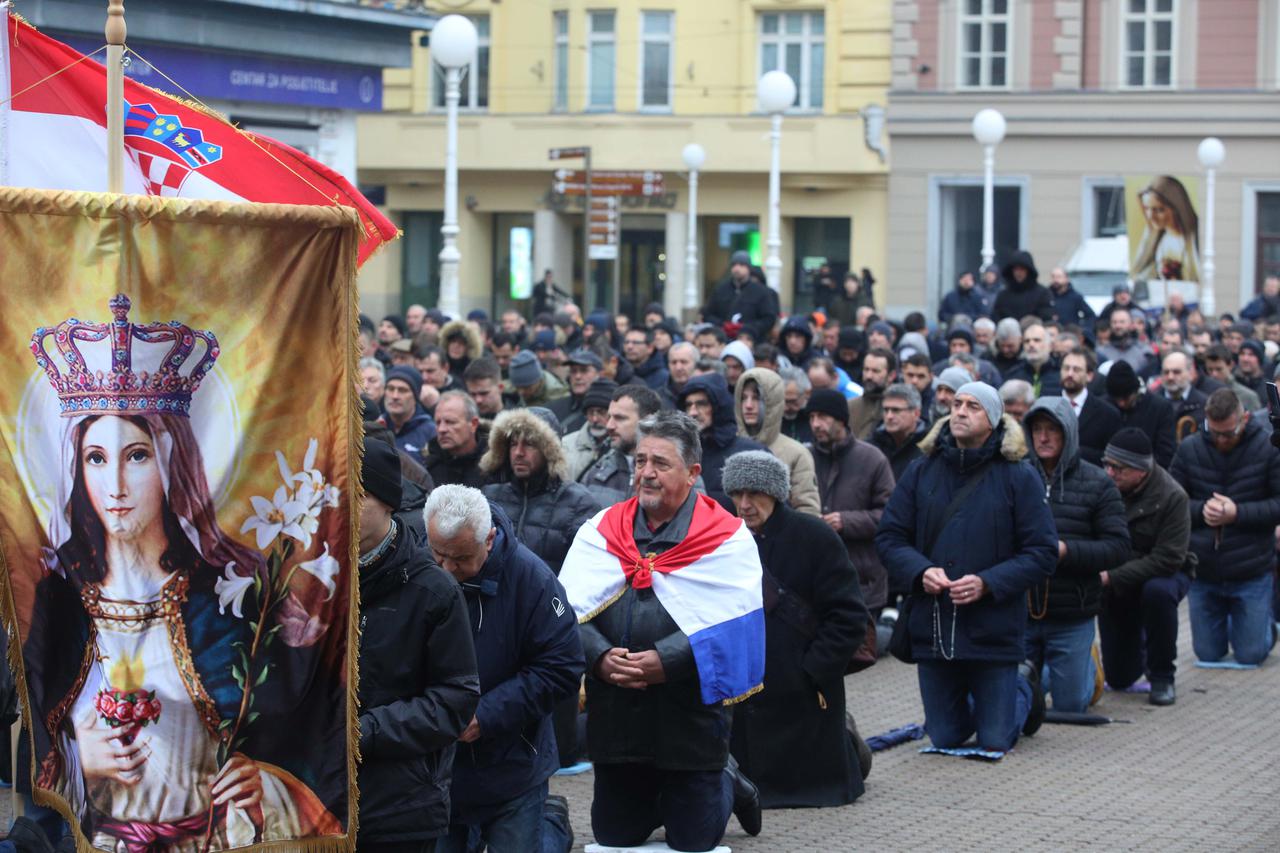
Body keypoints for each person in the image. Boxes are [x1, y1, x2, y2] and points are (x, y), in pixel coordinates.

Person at [23, 304, 349, 849]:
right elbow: (30, 724)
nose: (117, 484)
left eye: (137, 455)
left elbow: (297, 720)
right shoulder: (60, 595)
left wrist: (259, 777)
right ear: (77, 469)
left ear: (171, 461)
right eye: (96, 459)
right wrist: (79, 754)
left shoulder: (227, 595)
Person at [559, 412, 765, 850]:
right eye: (640, 461)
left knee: (694, 841)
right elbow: (565, 611)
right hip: (617, 718)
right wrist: (597, 656)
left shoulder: (727, 538)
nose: (646, 474)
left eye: (660, 464)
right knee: (616, 836)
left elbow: (735, 626)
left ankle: (727, 778)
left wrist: (666, 662)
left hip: (689, 720)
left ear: (692, 473)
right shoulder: (601, 531)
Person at [876, 383, 1056, 752]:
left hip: (993, 629)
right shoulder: (921, 470)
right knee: (945, 736)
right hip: (935, 628)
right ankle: (986, 704)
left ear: (992, 421)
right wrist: (920, 571)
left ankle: (1022, 687)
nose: (959, 411)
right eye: (956, 404)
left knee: (995, 740)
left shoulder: (1018, 475)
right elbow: (890, 537)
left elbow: (1042, 552)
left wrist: (988, 583)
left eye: (973, 406)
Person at [425, 487, 582, 853]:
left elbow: (563, 666)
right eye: (438, 555)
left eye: (460, 558)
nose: (447, 569)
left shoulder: (534, 581)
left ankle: (551, 825)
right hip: (436, 764)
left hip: (513, 759)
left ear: (490, 539)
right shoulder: (417, 567)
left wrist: (487, 715)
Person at [723, 452, 870, 808]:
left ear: (776, 493)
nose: (744, 504)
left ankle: (851, 750)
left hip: (803, 690)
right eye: (737, 494)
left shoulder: (815, 537)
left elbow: (849, 617)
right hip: (747, 689)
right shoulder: (723, 542)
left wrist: (812, 671)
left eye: (754, 494)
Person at [357, 440, 481, 852]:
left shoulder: (433, 590)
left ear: (389, 502)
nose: (339, 506)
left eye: (357, 495)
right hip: (316, 800)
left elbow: (454, 700)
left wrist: (362, 732)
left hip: (401, 806)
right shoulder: (307, 581)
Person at [1021, 399, 1131, 713]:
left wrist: (1067, 551)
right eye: (1037, 430)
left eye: (1052, 430)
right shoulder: (1016, 476)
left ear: (1068, 432)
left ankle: (1086, 664)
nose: (1043, 438)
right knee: (1021, 699)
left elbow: (1119, 547)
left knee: (1070, 706)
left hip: (1073, 610)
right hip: (1021, 609)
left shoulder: (1097, 483)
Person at [1170, 389, 1280, 667]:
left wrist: (1237, 513)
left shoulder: (1269, 448)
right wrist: (1202, 510)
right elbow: (1172, 502)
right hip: (1204, 567)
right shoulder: (1190, 448)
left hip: (1251, 566)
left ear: (1244, 418)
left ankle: (1265, 628)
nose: (1221, 440)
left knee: (1250, 655)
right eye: (1214, 432)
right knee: (1207, 654)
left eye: (1228, 434)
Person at [1098, 429, 1193, 706]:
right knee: (1118, 678)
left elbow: (1168, 559)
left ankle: (1163, 675)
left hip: (1165, 573)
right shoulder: (1104, 488)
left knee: (1157, 593)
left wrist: (1112, 576)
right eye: (1107, 465)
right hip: (1117, 573)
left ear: (1142, 471)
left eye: (1119, 468)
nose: (1110, 473)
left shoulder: (1173, 496)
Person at [806, 388, 896, 614]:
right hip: (814, 581)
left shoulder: (872, 459)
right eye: (812, 417)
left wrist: (845, 521)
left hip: (862, 582)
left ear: (841, 420)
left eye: (823, 417)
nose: (816, 424)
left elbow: (890, 515)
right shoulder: (805, 458)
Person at [734, 368, 821, 516]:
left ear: (773, 403)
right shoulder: (728, 448)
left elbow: (808, 511)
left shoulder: (796, 453)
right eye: (743, 398)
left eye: (756, 398)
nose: (748, 405)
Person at [676, 374, 767, 512]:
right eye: (688, 405)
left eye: (701, 404)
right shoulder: (679, 453)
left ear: (718, 406)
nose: (693, 412)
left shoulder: (751, 453)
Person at [580, 385, 664, 507]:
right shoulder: (597, 472)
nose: (609, 426)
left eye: (619, 418)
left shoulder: (678, 473)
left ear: (648, 421)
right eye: (609, 417)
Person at [1105, 360, 1176, 469]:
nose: (1121, 404)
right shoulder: (1105, 406)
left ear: (1136, 391)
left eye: (1126, 398)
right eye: (1117, 399)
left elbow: (1165, 452)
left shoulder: (1160, 408)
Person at [1130, 176, 1201, 283]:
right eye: (1147, 208)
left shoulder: (1196, 237)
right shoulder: (1152, 237)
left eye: (1159, 210)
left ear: (1176, 208)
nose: (1150, 216)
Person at [1060, 349, 1123, 467]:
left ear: (1089, 376)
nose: (1069, 374)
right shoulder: (1047, 406)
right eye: (1066, 368)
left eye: (1076, 370)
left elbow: (1111, 457)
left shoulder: (1107, 414)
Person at [701, 251, 777, 343]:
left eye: (741, 265)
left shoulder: (761, 291)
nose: (737, 268)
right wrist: (723, 325)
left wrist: (747, 328)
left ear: (749, 268)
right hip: (724, 340)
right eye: (734, 265)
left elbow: (769, 318)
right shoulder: (721, 289)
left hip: (752, 341)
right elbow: (708, 314)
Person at [425, 391, 493, 489]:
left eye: (450, 422)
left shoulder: (494, 465)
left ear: (473, 424)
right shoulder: (429, 466)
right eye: (438, 422)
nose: (441, 429)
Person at [869, 383, 928, 480]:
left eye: (896, 410)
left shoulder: (928, 448)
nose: (889, 416)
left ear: (916, 414)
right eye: (886, 410)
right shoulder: (872, 445)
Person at [379, 365, 437, 458]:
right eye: (390, 389)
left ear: (415, 396)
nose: (395, 396)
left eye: (402, 390)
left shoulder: (431, 432)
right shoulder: (376, 426)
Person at [548, 349, 602, 436]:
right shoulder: (554, 409)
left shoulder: (610, 409)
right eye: (573, 371)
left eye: (584, 370)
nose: (578, 376)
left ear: (599, 374)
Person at [1159, 350, 1208, 443]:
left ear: (1191, 373)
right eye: (1166, 372)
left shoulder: (1204, 404)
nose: (1170, 377)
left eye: (1176, 372)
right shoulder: (1152, 403)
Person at [992, 251, 1053, 322]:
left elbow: (1046, 317)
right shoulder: (1003, 295)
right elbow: (996, 317)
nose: (1018, 273)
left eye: (1022, 269)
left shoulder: (1043, 293)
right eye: (1016, 269)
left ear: (1029, 271)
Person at [849, 347, 896, 439]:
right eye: (866, 370)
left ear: (891, 376)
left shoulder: (899, 409)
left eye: (875, 371)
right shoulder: (850, 407)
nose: (869, 376)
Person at [1002, 324, 1061, 397]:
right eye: (1027, 341)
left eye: (1037, 340)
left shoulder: (1060, 375)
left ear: (1049, 346)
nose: (1031, 344)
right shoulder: (1013, 375)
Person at [1203, 344, 1263, 411]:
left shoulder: (1248, 397)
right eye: (1210, 369)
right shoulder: (1202, 392)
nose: (1214, 374)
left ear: (1230, 365)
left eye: (1219, 369)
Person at [1097, 309, 1154, 376]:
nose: (1118, 326)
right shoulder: (1101, 353)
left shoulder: (1144, 352)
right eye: (1114, 322)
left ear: (1131, 324)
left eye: (1122, 322)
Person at [623, 327, 670, 391]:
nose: (629, 346)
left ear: (650, 348)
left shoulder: (664, 378)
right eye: (626, 342)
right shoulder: (620, 374)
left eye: (636, 342)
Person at [779, 366, 815, 445]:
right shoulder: (772, 419)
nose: (786, 407)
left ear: (807, 394)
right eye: (784, 401)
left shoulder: (815, 417)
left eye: (792, 401)